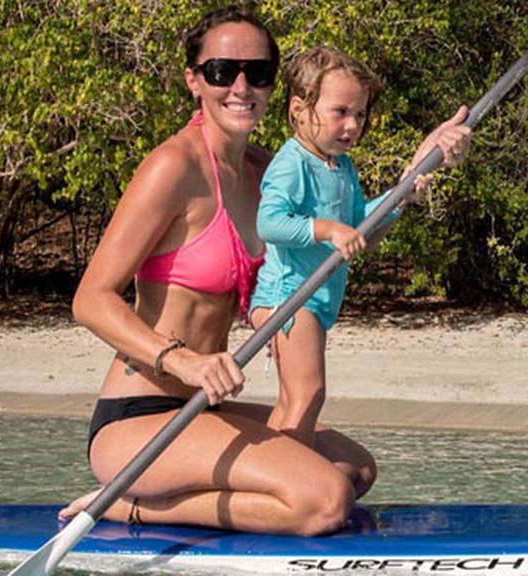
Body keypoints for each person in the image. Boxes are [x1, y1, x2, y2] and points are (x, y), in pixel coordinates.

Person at [63, 7, 468, 536]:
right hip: (141, 417)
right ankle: (127, 504)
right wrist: (181, 361)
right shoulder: (174, 167)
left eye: (257, 73)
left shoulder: (265, 170)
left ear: (276, 87)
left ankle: (196, 494)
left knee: (354, 467)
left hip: (204, 412)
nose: (240, 86)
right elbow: (90, 300)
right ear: (194, 80)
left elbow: (352, 234)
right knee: (325, 500)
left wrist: (419, 168)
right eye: (221, 71)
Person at [248, 47, 472, 447]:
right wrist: (328, 230)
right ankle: (285, 477)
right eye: (340, 112)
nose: (352, 125)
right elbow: (269, 223)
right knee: (307, 394)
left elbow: (359, 228)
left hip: (314, 300)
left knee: (294, 400)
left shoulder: (341, 166)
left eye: (361, 114)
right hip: (288, 298)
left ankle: (273, 470)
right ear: (299, 109)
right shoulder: (292, 162)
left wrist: (399, 198)